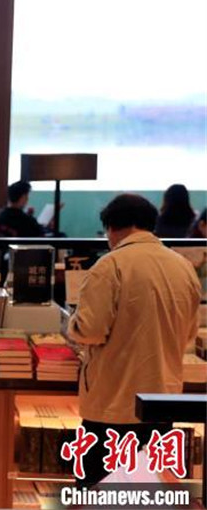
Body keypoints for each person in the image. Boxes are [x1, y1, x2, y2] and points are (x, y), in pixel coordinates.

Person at [66, 194, 201, 487]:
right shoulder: (183, 266)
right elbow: (190, 333)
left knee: (97, 495)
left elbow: (90, 330)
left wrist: (71, 325)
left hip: (113, 404)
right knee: (148, 493)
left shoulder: (109, 266)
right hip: (162, 402)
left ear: (112, 227)